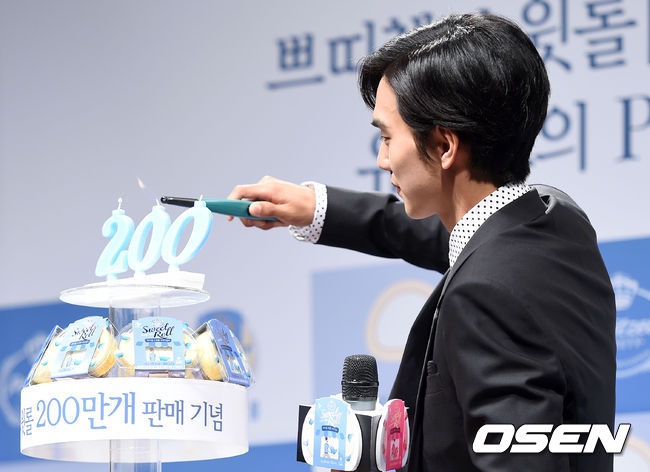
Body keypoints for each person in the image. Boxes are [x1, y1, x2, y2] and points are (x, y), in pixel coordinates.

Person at [227, 13, 616, 472]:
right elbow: (454, 240)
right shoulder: (555, 220)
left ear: (445, 146)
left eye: (387, 137)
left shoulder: (486, 292)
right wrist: (318, 209)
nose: (382, 159)